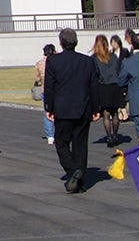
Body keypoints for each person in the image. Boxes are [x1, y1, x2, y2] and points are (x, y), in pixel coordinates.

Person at [44, 27, 98, 194]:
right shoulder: (87, 61)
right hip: (83, 107)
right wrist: (96, 108)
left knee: (61, 142)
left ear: (61, 43)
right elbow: (94, 86)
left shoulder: (53, 61)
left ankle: (73, 170)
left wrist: (49, 107)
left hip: (63, 108)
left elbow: (50, 87)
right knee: (80, 145)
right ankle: (79, 177)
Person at [92, 34, 127, 145]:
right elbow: (118, 70)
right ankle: (115, 135)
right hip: (115, 86)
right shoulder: (113, 57)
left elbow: (95, 74)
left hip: (103, 86)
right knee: (115, 112)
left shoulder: (94, 58)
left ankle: (109, 136)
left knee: (106, 114)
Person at [35, 44, 56, 144]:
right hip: (57, 90)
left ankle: (50, 135)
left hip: (45, 90)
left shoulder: (39, 63)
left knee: (47, 111)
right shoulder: (57, 62)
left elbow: (37, 78)